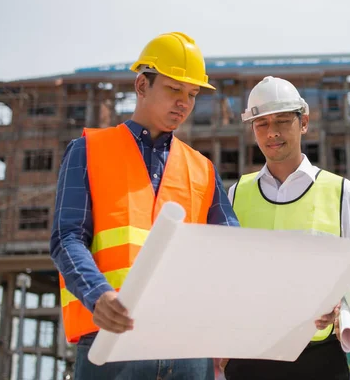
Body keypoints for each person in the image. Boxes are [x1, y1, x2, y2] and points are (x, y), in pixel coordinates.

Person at [50, 32, 240, 380]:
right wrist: (98, 295)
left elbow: (230, 251)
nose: (184, 102)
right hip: (111, 341)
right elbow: (66, 238)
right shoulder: (88, 150)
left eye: (192, 94)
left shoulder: (202, 169)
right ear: (141, 85)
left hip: (186, 346)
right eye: (174, 89)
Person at [223, 76, 350, 380]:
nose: (273, 133)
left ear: (304, 122)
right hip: (250, 357)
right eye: (262, 124)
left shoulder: (339, 191)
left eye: (282, 121)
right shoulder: (236, 193)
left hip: (319, 358)